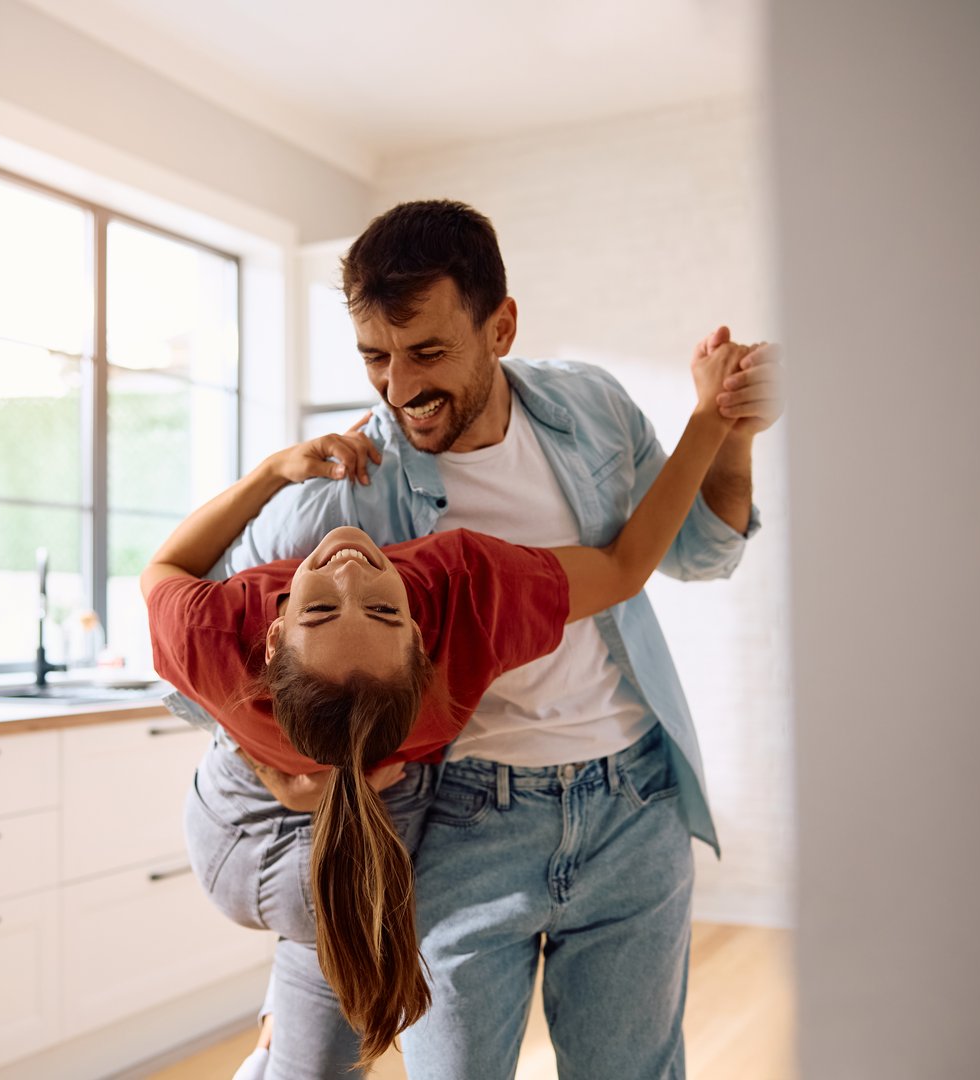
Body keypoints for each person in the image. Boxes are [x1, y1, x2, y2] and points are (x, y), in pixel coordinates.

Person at [175, 199, 786, 1080]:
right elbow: (207, 652)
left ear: (500, 326)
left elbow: (695, 552)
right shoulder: (340, 497)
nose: (398, 388)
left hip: (634, 805)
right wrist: (276, 762)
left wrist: (730, 436)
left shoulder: (593, 407)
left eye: (428, 352)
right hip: (454, 825)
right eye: (375, 357)